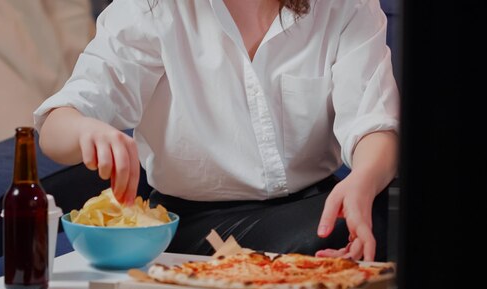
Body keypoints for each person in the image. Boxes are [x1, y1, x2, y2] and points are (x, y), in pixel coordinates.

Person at [33, 0, 399, 262]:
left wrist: (363, 180)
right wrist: (85, 130)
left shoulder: (346, 6)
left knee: (396, 218)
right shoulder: (151, 8)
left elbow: (374, 123)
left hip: (314, 207)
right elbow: (56, 126)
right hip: (194, 225)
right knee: (316, 243)